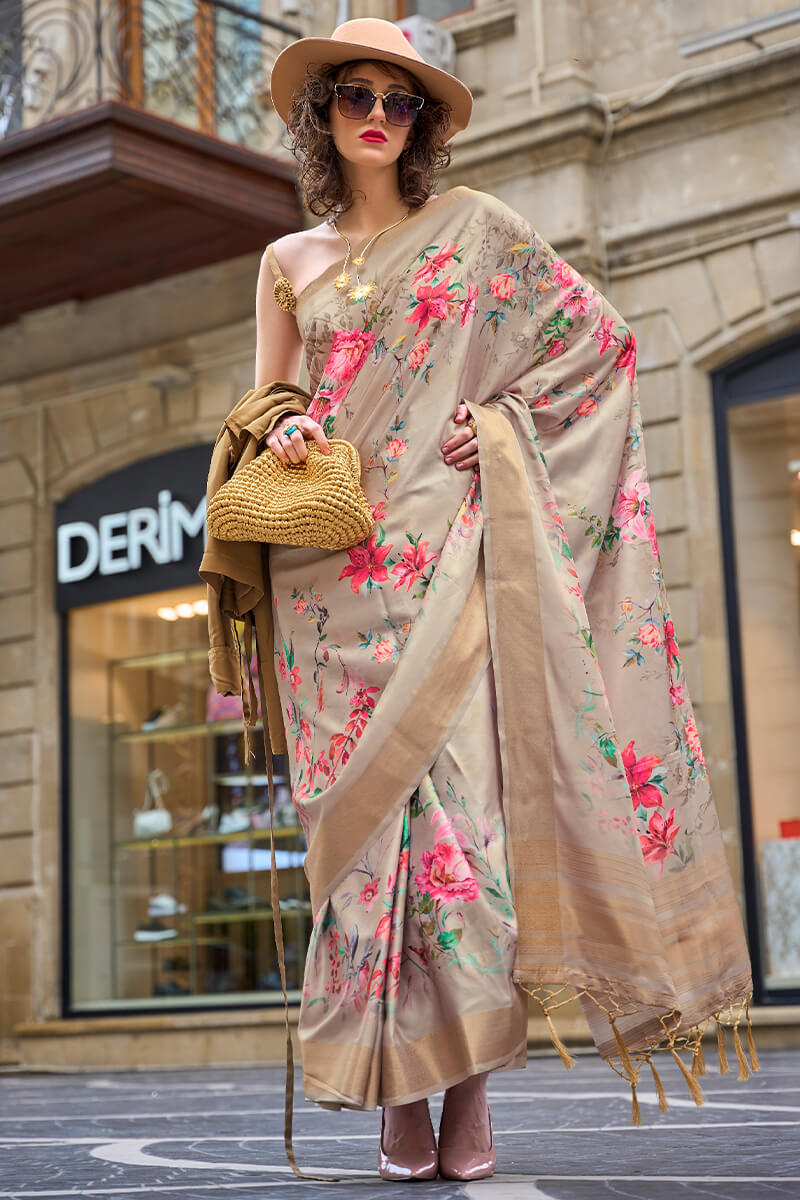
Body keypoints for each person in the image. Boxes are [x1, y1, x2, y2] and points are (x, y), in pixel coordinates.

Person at [202, 16, 756, 1185]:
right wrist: (287, 421)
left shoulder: (479, 234)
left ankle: (463, 1102)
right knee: (359, 862)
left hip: (449, 564)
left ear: (422, 125)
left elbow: (598, 349)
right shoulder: (286, 262)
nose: (374, 113)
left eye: (399, 100)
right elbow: (265, 403)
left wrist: (496, 427)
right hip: (322, 591)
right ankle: (394, 1092)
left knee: (467, 852)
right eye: (353, 93)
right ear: (321, 114)